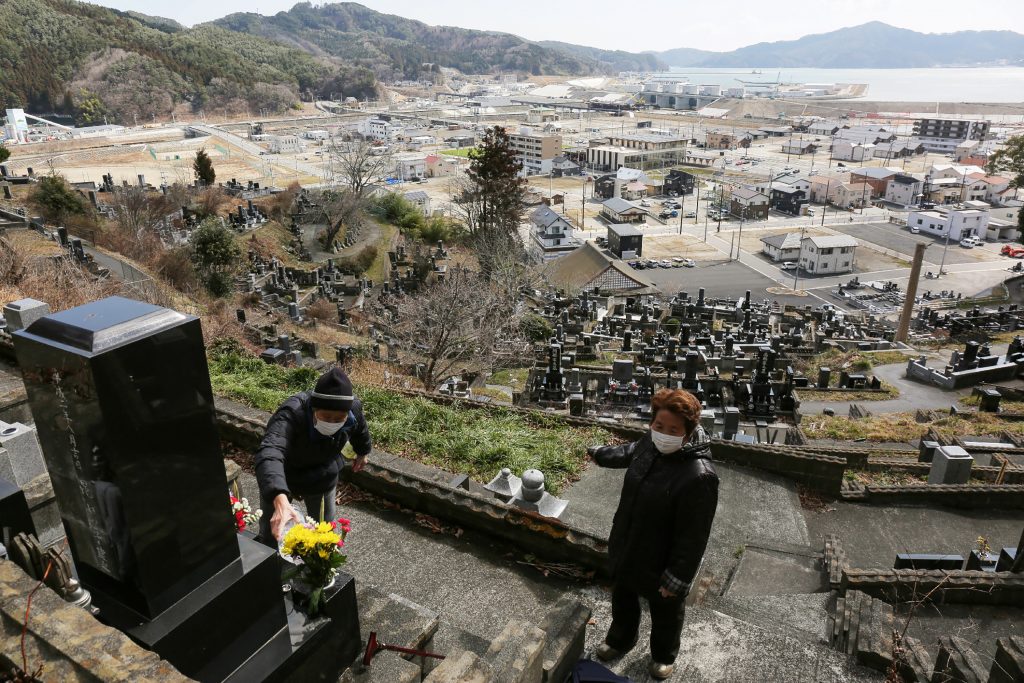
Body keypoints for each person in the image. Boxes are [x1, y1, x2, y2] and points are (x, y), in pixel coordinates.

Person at [587, 388, 719, 681]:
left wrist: (677, 578)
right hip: (629, 541)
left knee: (666, 612)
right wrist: (600, 454)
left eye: (673, 429)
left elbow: (694, 535)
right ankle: (620, 639)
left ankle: (663, 655)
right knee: (623, 597)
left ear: (688, 433)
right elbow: (630, 452)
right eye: (659, 426)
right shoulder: (650, 443)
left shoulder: (699, 475)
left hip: (663, 558)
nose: (663, 433)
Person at [254, 367, 372, 546]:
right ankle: (269, 558)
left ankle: (319, 568)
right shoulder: (292, 413)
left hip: (322, 475)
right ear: (313, 408)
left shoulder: (353, 409)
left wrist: (363, 451)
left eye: (339, 418)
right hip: (284, 475)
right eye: (326, 416)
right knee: (272, 530)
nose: (332, 422)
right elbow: (271, 451)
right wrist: (278, 496)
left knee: (323, 534)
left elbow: (360, 428)